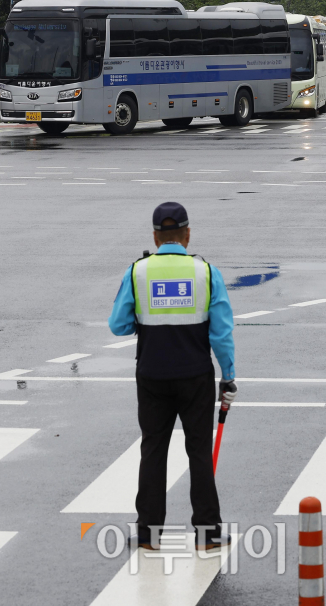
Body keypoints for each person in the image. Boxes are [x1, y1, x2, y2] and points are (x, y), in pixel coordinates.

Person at [108, 202, 237, 553]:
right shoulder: (206, 272)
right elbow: (221, 333)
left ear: (155, 236)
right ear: (187, 235)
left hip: (151, 374)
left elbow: (118, 325)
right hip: (195, 375)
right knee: (198, 449)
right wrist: (229, 376)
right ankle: (208, 532)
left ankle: (148, 533)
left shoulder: (137, 271)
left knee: (153, 450)